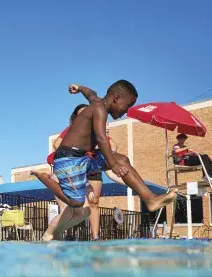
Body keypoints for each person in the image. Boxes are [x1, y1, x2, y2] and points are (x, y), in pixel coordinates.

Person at [32, 81, 177, 239]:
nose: (125, 112)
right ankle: (45, 178)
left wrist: (79, 88)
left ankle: (150, 199)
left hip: (83, 158)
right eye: (126, 106)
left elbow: (91, 93)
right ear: (116, 98)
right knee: (76, 203)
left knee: (122, 159)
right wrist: (112, 165)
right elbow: (101, 139)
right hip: (68, 159)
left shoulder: (96, 102)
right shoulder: (100, 109)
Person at [40, 104, 125, 240]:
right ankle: (50, 234)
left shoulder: (97, 133)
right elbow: (57, 144)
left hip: (81, 175)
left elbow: (112, 147)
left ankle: (54, 233)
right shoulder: (74, 131)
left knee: (84, 211)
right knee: (69, 211)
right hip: (65, 173)